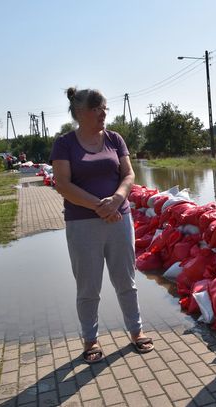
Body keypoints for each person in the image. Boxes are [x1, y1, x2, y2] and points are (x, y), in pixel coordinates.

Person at [50, 87, 154, 364]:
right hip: (83, 223)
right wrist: (101, 206)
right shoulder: (64, 143)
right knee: (88, 286)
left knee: (126, 280)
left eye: (104, 107)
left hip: (120, 219)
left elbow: (128, 173)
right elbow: (62, 184)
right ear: (80, 113)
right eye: (96, 108)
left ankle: (136, 330)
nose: (103, 113)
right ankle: (90, 340)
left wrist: (117, 199)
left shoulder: (114, 139)